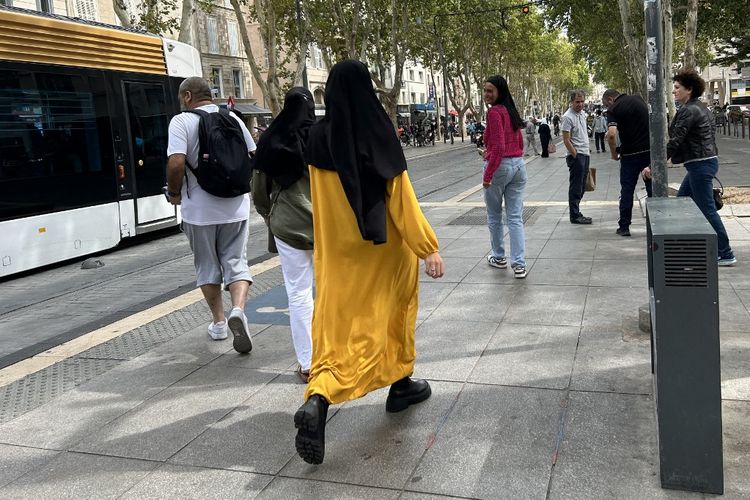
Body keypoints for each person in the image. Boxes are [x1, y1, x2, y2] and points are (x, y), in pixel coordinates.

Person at [294, 60, 445, 464]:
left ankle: (320, 397)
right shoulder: (379, 133)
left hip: (337, 254)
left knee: (338, 328)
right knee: (391, 315)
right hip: (382, 252)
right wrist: (427, 247)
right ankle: (400, 385)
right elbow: (401, 200)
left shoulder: (317, 138)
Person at [165, 76, 256, 352]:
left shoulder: (181, 121)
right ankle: (238, 310)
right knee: (236, 261)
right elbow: (252, 153)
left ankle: (218, 323)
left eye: (182, 97)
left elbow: (176, 161)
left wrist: (174, 193)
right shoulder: (233, 118)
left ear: (188, 96)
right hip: (236, 205)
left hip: (200, 211)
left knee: (207, 265)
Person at [251, 87, 316, 382]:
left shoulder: (271, 139)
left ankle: (307, 362)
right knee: (330, 291)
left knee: (299, 293)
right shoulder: (322, 136)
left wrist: (272, 217)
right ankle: (335, 352)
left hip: (288, 227)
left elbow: (259, 192)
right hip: (327, 226)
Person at [663, 69, 736, 266]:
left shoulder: (689, 110)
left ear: (690, 89)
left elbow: (676, 139)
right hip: (703, 163)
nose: (674, 91)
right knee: (682, 203)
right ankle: (689, 245)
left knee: (707, 209)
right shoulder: (701, 107)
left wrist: (658, 162)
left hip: (700, 164)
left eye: (677, 88)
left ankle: (725, 252)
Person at [482, 75, 528, 278]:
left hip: (500, 167)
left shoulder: (494, 112)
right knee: (515, 217)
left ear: (500, 91)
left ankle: (499, 257)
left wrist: (488, 174)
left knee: (494, 215)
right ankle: (519, 265)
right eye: (484, 90)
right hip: (518, 166)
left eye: (490, 90)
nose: (486, 95)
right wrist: (489, 150)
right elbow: (518, 143)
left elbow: (499, 146)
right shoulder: (511, 110)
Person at [602, 88, 653, 237]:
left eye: (606, 104)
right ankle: (656, 225)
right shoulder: (638, 99)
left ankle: (624, 226)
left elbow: (612, 134)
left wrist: (613, 154)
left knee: (627, 191)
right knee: (651, 189)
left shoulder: (613, 109)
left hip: (629, 155)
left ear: (610, 99)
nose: (607, 107)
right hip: (648, 152)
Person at [561, 90, 592, 224]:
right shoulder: (568, 117)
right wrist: (575, 155)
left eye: (582, 101)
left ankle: (577, 211)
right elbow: (566, 140)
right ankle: (574, 215)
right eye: (577, 102)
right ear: (572, 102)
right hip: (577, 155)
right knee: (576, 186)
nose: (580, 104)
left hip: (585, 153)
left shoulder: (583, 114)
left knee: (582, 185)